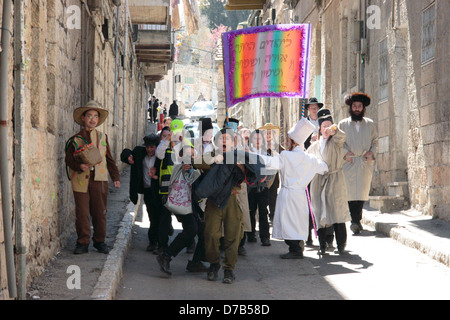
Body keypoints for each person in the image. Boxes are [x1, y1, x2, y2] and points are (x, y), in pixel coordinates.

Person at [194, 128, 266, 284]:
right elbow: (197, 161)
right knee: (211, 234)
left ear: (234, 142)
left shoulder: (240, 156)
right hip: (214, 201)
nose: (224, 141)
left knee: (233, 236)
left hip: (233, 200)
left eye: (228, 139)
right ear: (217, 141)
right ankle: (214, 264)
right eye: (221, 139)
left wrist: (240, 164)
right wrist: (215, 160)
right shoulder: (212, 155)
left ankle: (229, 269)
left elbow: (255, 172)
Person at [263, 118, 328, 259]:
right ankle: (297, 246)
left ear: (295, 142)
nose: (286, 143)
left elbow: (271, 163)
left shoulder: (286, 155)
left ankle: (295, 249)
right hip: (300, 195)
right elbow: (324, 168)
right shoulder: (310, 158)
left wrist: (252, 158)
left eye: (288, 141)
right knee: (297, 221)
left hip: (288, 194)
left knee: (288, 222)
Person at [65, 100, 121, 254]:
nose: (92, 119)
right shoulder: (75, 139)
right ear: (83, 118)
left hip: (100, 181)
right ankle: (82, 242)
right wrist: (79, 166)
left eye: (95, 116)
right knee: (82, 213)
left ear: (98, 119)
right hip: (80, 181)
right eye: (89, 116)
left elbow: (109, 159)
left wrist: (115, 177)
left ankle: (100, 241)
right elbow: (68, 160)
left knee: (100, 212)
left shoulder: (103, 137)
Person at [156, 145, 208, 275]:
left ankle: (195, 262)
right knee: (192, 229)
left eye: (192, 155)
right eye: (186, 155)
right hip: (181, 203)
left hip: (192, 205)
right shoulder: (176, 165)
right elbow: (171, 178)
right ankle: (166, 255)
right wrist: (181, 166)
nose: (189, 158)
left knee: (203, 230)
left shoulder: (195, 169)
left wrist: (200, 171)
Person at [307, 108, 349, 255]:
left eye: (329, 125)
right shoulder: (314, 146)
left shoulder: (336, 142)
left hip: (335, 179)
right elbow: (306, 161)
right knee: (319, 211)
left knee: (337, 212)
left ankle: (341, 244)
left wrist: (335, 131)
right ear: (319, 128)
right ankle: (322, 244)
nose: (326, 129)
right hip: (319, 181)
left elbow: (341, 137)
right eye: (323, 126)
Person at [120, 134, 172, 253]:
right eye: (148, 147)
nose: (149, 150)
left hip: (161, 191)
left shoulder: (163, 156)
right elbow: (125, 152)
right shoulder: (139, 153)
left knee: (162, 217)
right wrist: (128, 157)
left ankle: (162, 244)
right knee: (152, 216)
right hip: (148, 190)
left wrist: (156, 176)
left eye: (152, 147)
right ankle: (153, 242)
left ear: (157, 146)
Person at [338, 92, 378, 235]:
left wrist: (371, 153)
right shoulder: (342, 124)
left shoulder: (370, 124)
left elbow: (375, 141)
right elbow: (338, 142)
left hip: (364, 161)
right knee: (350, 192)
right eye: (354, 106)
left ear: (363, 108)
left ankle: (357, 220)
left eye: (359, 106)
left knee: (361, 192)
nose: (356, 108)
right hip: (349, 162)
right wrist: (345, 154)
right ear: (350, 108)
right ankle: (354, 221)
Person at [247, 129, 272, 246]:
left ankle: (265, 237)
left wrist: (265, 176)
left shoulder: (266, 153)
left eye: (259, 138)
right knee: (250, 211)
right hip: (250, 187)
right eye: (255, 138)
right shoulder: (247, 153)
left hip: (263, 187)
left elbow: (272, 169)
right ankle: (251, 234)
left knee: (263, 212)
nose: (257, 140)